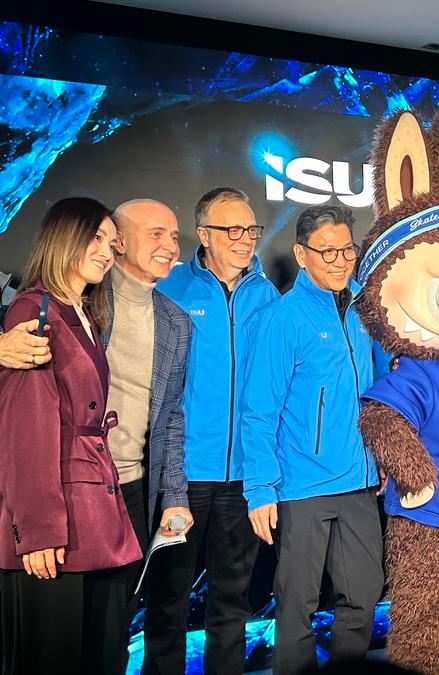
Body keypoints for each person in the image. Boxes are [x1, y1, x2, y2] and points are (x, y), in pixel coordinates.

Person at [0, 197, 142, 674]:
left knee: (101, 653)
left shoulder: (81, 311)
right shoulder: (34, 309)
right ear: (64, 237)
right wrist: (38, 529)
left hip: (93, 510)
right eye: (95, 238)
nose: (107, 251)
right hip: (56, 523)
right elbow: (25, 427)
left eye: (111, 241)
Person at [241, 205, 383, 673]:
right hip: (301, 484)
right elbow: (259, 410)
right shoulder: (284, 318)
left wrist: (382, 457)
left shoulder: (365, 308)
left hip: (360, 482)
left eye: (347, 249)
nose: (341, 261)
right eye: (328, 252)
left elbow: (378, 390)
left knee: (363, 594)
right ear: (302, 254)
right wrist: (260, 488)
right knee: (297, 603)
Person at [146, 187, 279, 674]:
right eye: (232, 229)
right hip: (183, 474)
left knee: (232, 597)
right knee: (169, 596)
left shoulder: (267, 294)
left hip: (245, 475)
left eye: (251, 229)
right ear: (204, 234)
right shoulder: (171, 287)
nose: (246, 239)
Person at [103, 199, 194, 671]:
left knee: (117, 623)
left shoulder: (176, 322)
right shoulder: (82, 301)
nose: (170, 246)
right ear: (117, 241)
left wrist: (174, 496)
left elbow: (170, 417)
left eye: (174, 236)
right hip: (77, 488)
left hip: (137, 490)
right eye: (156, 233)